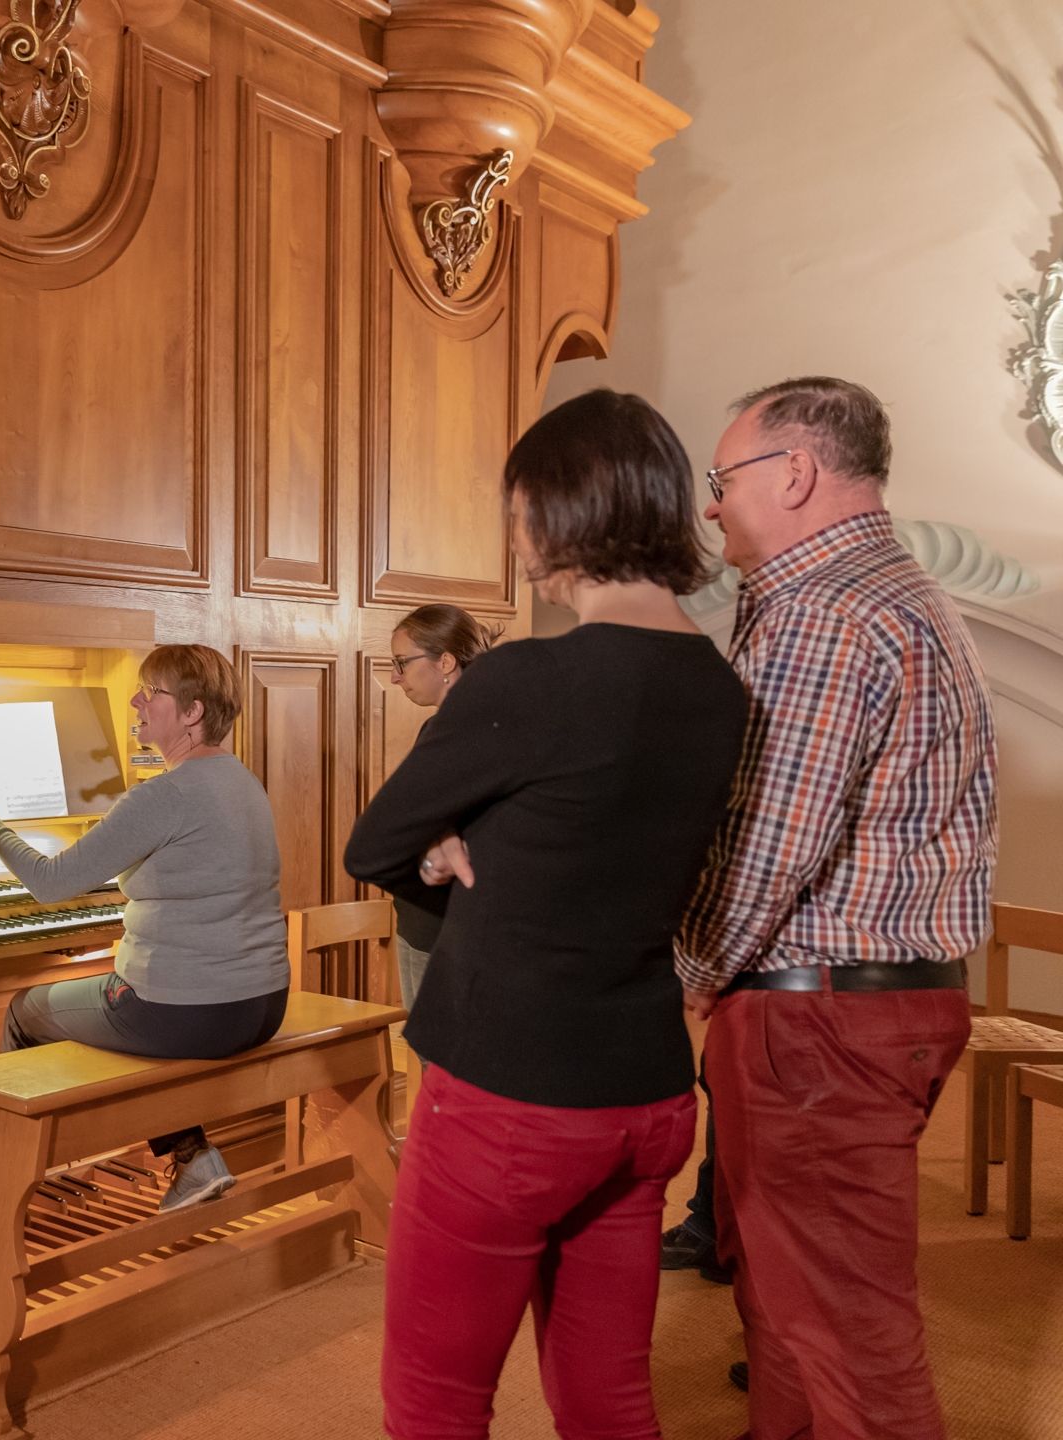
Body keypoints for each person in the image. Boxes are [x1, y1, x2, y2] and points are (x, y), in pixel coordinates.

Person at [344, 389, 747, 1439]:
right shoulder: (720, 688)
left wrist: (446, 850)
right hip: (647, 1092)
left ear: (564, 510)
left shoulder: (530, 677)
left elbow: (375, 844)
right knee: (609, 1399)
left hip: (510, 1094)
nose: (513, 533)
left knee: (436, 1401)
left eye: (520, 506)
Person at [676, 377, 996, 1440]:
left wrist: (680, 980)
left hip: (819, 1016)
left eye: (723, 481)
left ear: (797, 472)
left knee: (849, 1335)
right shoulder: (899, 593)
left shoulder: (823, 612)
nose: (712, 506)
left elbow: (765, 847)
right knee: (785, 1305)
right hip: (876, 1006)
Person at [0, 643, 291, 1213]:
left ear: (192, 712)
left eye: (151, 692)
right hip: (261, 1002)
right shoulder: (242, 782)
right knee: (120, 999)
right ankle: (193, 1156)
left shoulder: (164, 794)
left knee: (26, 1009)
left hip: (191, 1012)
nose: (135, 700)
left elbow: (49, 883)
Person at [384, 604, 501, 1011]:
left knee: (439, 1065)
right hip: (464, 922)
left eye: (401, 662)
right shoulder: (494, 716)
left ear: (446, 661)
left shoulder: (450, 726)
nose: (395, 676)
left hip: (437, 925)